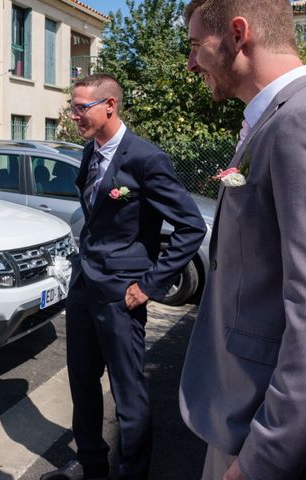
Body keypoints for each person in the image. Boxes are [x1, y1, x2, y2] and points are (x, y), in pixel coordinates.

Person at [41, 74, 206, 480]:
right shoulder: (89, 151)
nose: (73, 114)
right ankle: (92, 466)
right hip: (84, 285)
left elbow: (191, 226)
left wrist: (150, 285)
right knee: (81, 382)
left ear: (109, 105)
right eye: (73, 107)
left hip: (122, 293)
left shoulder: (145, 158)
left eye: (81, 107)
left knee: (128, 394)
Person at [179, 2, 306, 479]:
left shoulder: (296, 121)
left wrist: (262, 458)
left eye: (195, 47)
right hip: (238, 408)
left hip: (260, 424)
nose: (190, 64)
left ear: (237, 34)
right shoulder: (275, 117)